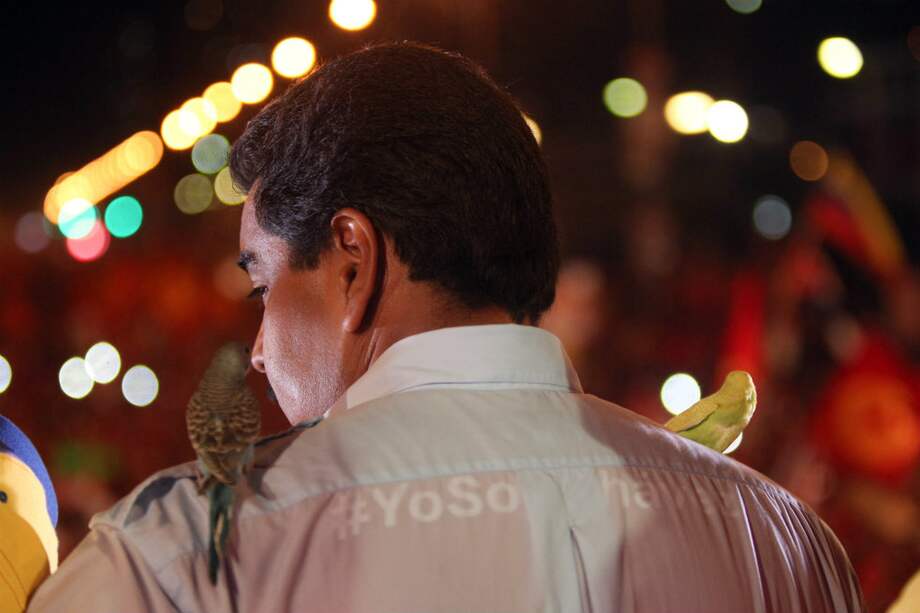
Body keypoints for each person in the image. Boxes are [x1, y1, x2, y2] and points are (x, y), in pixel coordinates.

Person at [28, 42, 865, 612]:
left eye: (261, 287)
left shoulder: (185, 554)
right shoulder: (788, 540)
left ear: (351, 262)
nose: (256, 346)